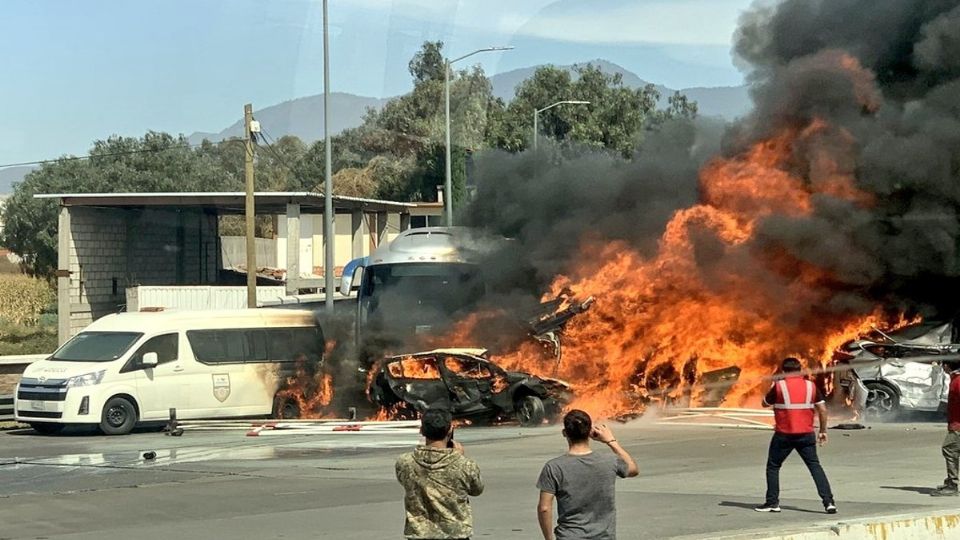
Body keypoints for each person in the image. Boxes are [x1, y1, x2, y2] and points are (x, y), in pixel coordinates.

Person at [536, 409, 639, 540]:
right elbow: (633, 469)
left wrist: (548, 538)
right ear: (590, 432)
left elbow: (544, 508)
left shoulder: (553, 467)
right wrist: (611, 441)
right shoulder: (609, 461)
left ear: (564, 433)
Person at [755, 357, 836, 514]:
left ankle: (772, 503)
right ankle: (829, 502)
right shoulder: (811, 386)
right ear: (800, 370)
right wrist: (823, 431)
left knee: (773, 466)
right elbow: (823, 410)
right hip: (806, 434)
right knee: (814, 466)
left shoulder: (780, 386)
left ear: (783, 371)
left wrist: (772, 386)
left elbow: (764, 403)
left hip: (784, 435)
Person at [395, 407, 484, 540]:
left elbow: (405, 481)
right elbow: (476, 489)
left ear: (422, 430)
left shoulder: (405, 462)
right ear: (449, 430)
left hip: (419, 534)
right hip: (454, 534)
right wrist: (458, 458)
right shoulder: (465, 465)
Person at [932, 362, 960, 496]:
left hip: (958, 425)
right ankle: (951, 482)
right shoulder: (955, 379)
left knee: (949, 449)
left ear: (947, 366)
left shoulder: (957, 382)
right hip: (955, 422)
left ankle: (952, 484)